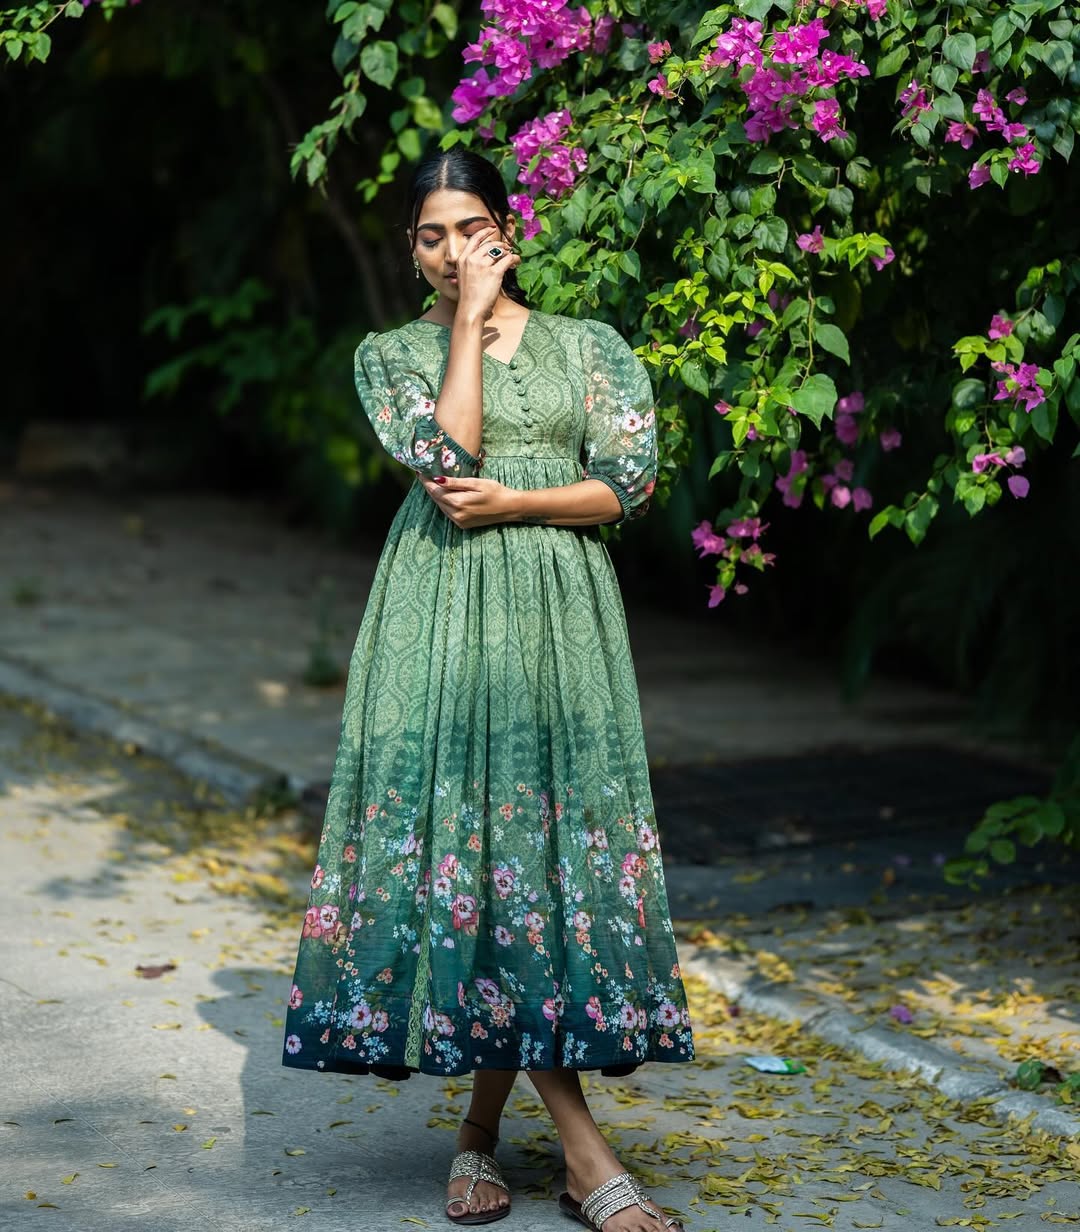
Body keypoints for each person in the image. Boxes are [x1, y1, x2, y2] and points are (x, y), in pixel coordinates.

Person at [281, 147, 695, 1232]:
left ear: (509, 230)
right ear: (415, 255)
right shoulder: (392, 355)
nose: (454, 249)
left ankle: (476, 1137)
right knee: (482, 861)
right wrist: (464, 325)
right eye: (432, 235)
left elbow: (626, 484)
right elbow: (448, 458)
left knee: (539, 862)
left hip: (563, 625)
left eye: (471, 227)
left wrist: (519, 501)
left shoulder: (589, 346)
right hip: (444, 620)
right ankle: (585, 1153)